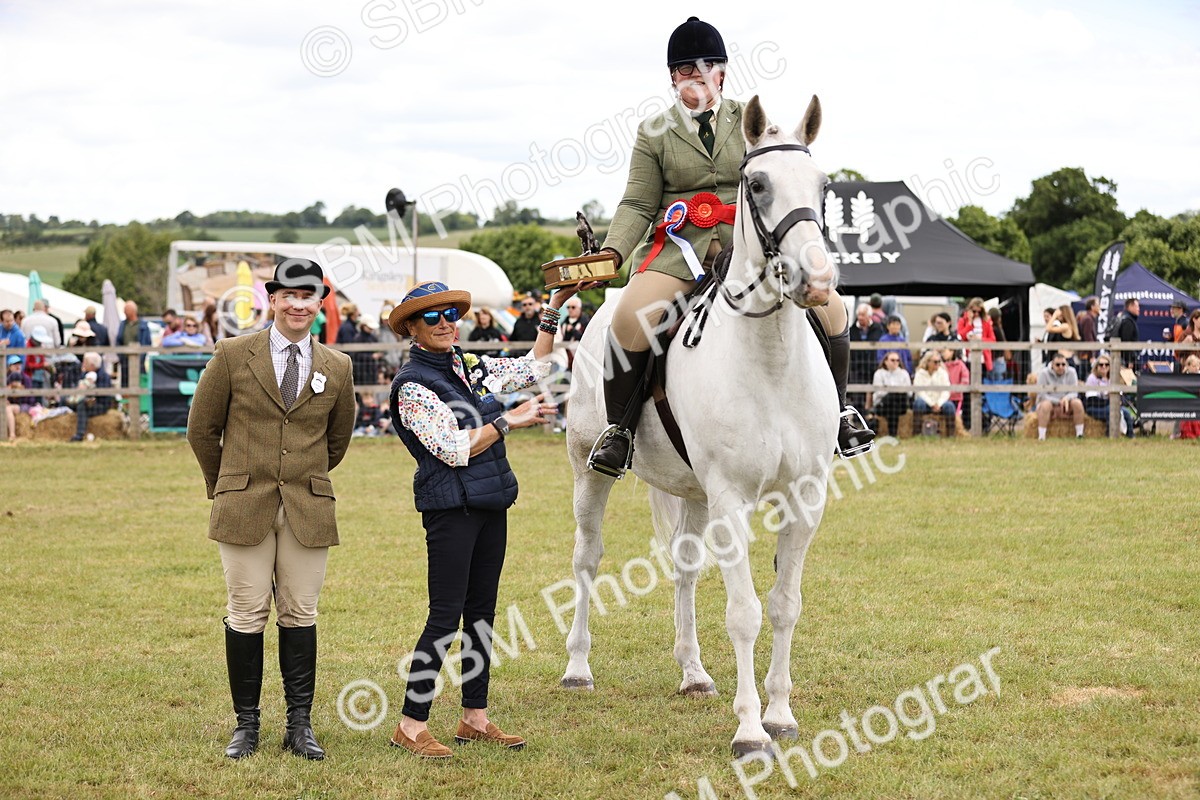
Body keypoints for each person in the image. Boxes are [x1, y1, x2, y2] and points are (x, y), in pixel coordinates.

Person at [587, 16, 873, 476]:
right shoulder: (653, 131)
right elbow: (639, 202)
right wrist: (613, 252)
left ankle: (839, 414)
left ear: (722, 73)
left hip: (748, 252)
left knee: (834, 311)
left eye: (707, 67)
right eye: (686, 70)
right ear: (673, 77)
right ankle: (619, 431)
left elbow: (782, 179)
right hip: (678, 251)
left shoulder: (752, 122)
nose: (696, 76)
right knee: (626, 319)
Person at [385, 279, 592, 759]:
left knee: (481, 615)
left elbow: (534, 366)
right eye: (432, 317)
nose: (445, 324)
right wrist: (507, 422)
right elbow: (453, 448)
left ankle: (474, 718)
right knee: (444, 617)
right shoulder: (411, 385)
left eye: (450, 315)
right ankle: (411, 725)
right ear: (412, 328)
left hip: (488, 503)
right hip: (450, 510)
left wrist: (552, 308)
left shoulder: (468, 364)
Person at [186, 257, 356, 761]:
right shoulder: (234, 354)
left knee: (300, 612)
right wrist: (227, 485)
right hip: (244, 503)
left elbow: (338, 438)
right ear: (274, 299)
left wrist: (305, 477)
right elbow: (201, 429)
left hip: (307, 504)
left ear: (318, 302)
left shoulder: (338, 366)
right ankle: (247, 726)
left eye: (309, 296)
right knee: (246, 611)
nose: (299, 305)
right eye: (290, 296)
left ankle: (299, 725)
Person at [1034, 354, 1085, 440]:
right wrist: (1058, 401)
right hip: (1049, 403)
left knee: (1077, 403)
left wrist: (1066, 399)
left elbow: (1074, 392)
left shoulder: (1072, 372)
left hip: (1066, 404)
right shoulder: (1044, 373)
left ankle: (1079, 434)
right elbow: (1042, 394)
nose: (1061, 367)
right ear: (1052, 365)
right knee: (1046, 405)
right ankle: (1042, 436)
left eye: (1063, 364)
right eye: (1058, 365)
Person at [1083, 356, 1134, 438]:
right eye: (1101, 365)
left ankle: (1131, 436)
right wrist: (1109, 398)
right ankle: (1110, 436)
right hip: (1094, 407)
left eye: (1107, 365)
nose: (1104, 367)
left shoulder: (1113, 379)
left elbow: (1121, 398)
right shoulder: (1092, 378)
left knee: (1126, 412)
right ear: (1096, 366)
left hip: (1111, 406)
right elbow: (1091, 400)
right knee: (1111, 412)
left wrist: (1116, 400)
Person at [68, 352, 113, 442]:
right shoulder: (84, 374)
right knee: (65, 400)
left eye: (85, 362)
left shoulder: (104, 376)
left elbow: (104, 394)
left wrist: (92, 397)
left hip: (99, 405)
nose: (83, 364)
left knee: (82, 405)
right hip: (83, 400)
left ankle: (79, 434)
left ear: (92, 365)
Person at [849, 303, 883, 414]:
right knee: (857, 396)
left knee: (871, 395)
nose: (860, 317)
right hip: (856, 367)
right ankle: (857, 418)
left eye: (863, 315)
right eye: (859, 315)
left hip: (872, 366)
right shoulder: (852, 330)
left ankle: (869, 419)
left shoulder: (878, 329)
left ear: (869, 316)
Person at [912, 350, 955, 435]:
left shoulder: (943, 373)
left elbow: (946, 390)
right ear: (928, 362)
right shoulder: (920, 374)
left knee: (950, 406)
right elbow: (919, 392)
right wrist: (931, 404)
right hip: (925, 403)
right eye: (935, 362)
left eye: (939, 361)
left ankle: (951, 435)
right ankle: (916, 433)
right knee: (918, 403)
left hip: (940, 403)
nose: (938, 364)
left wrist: (938, 403)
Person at [869, 353, 911, 437]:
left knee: (894, 401)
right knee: (892, 401)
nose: (895, 362)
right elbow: (878, 392)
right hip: (883, 404)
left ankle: (892, 434)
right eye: (892, 360)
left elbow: (909, 392)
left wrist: (889, 389)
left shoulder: (904, 373)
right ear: (885, 361)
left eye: (897, 360)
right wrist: (894, 390)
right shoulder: (879, 373)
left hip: (900, 404)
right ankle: (893, 435)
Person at [115, 301, 152, 388]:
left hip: (139, 361)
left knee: (140, 384)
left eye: (126, 310)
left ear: (133, 311)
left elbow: (147, 343)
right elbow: (118, 341)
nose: (124, 312)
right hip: (125, 360)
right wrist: (121, 356)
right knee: (125, 384)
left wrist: (141, 358)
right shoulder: (123, 324)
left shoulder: (143, 325)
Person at [956, 297, 995, 376]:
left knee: (982, 382)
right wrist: (969, 323)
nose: (976, 314)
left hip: (983, 358)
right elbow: (960, 336)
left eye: (979, 312)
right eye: (974, 311)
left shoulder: (986, 322)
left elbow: (992, 340)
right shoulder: (963, 320)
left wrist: (980, 339)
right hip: (967, 357)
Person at [1110, 297, 1140, 369]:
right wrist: (1129, 360)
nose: (1138, 309)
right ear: (1130, 306)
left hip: (1123, 358)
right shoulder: (1128, 321)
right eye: (1137, 306)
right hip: (1126, 361)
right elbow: (1126, 342)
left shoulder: (1125, 318)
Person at [1076, 296, 1099, 377]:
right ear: (1092, 307)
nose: (1100, 307)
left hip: (1086, 355)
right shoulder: (1088, 319)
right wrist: (1091, 355)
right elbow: (1088, 338)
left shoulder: (1088, 318)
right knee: (1086, 378)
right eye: (1098, 305)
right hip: (1087, 356)